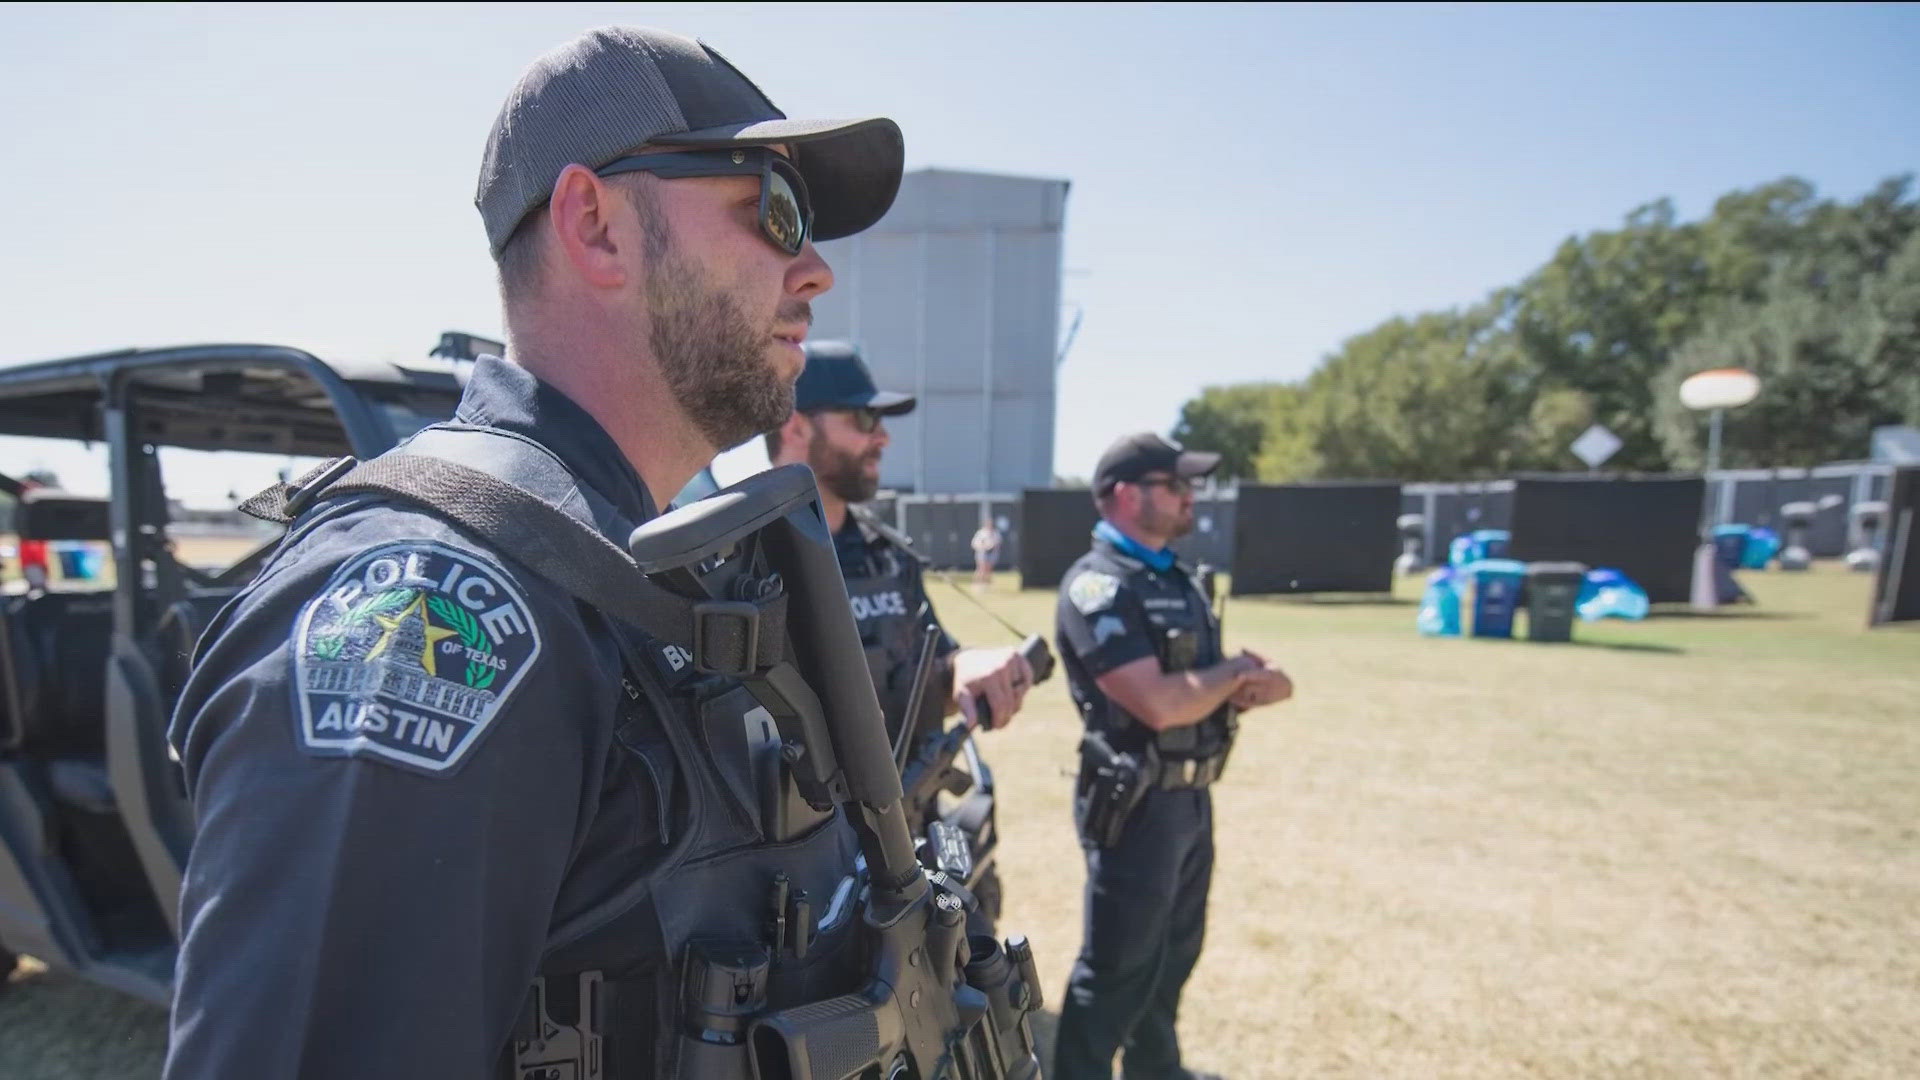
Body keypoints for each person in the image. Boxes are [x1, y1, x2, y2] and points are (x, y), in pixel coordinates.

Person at [164, 27, 903, 1078]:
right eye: (773, 210)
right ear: (595, 227)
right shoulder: (432, 599)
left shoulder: (643, 561)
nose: (816, 270)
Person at [1052, 432, 1294, 1080]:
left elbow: (1207, 686)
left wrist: (1240, 685)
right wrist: (1236, 671)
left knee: (1174, 953)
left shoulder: (1179, 579)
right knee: (1117, 966)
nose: (1192, 497)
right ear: (1127, 495)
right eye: (1177, 485)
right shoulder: (1097, 585)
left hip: (1190, 795)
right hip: (1136, 802)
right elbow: (1157, 702)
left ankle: (1157, 1069)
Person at [764, 341, 1033, 754]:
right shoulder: (737, 559)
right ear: (796, 427)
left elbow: (935, 667)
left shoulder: (889, 556)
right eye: (865, 418)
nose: (884, 438)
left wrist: (965, 666)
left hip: (910, 810)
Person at [971, 512, 1003, 589]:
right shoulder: (981, 533)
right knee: (981, 568)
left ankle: (986, 584)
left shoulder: (995, 533)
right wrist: (983, 546)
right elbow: (974, 543)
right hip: (982, 553)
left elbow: (998, 543)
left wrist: (993, 547)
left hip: (992, 553)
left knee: (988, 569)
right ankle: (977, 584)